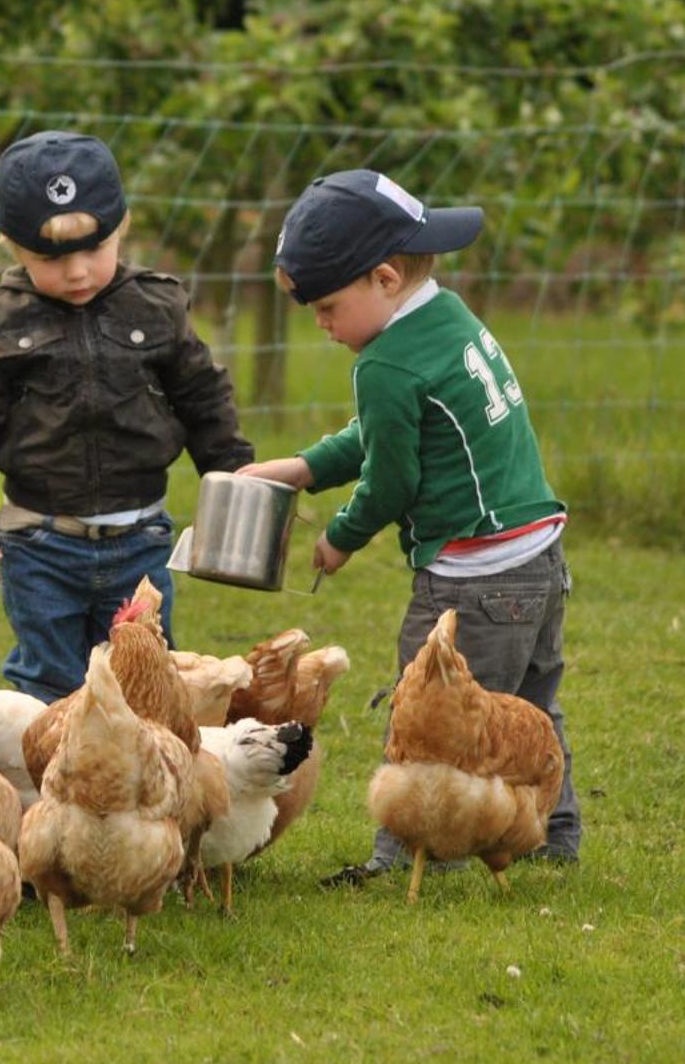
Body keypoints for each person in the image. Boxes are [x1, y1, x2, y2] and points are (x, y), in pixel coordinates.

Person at [239, 169, 580, 883]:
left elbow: (395, 478)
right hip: (539, 558)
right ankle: (553, 836)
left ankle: (403, 857)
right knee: (531, 710)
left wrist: (338, 536)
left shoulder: (386, 362)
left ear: (386, 278)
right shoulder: (445, 315)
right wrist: (303, 467)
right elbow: (388, 433)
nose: (324, 327)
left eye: (328, 308)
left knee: (429, 720)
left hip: (472, 577)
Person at [0, 130, 254, 702]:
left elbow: (203, 397)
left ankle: (152, 787)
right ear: (13, 247)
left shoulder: (157, 306)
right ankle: (52, 788)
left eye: (93, 250)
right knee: (50, 683)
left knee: (145, 677)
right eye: (52, 258)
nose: (78, 271)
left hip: (141, 537)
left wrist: (236, 477)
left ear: (120, 229)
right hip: (38, 541)